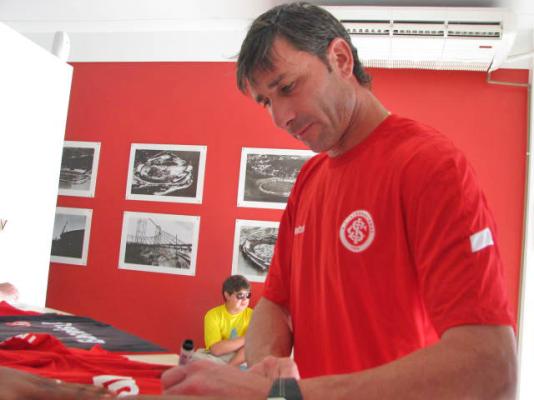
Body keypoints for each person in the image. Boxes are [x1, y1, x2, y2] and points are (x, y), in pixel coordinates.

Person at [161, 2, 517, 399]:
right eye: (267, 102)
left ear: (341, 59)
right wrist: (269, 369)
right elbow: (275, 304)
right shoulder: (308, 181)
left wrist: (287, 394)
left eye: (287, 87)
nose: (280, 118)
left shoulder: (429, 165)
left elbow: (492, 368)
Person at [195, 275, 253, 367]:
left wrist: (229, 367)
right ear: (227, 295)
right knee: (195, 358)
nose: (245, 300)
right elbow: (216, 350)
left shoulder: (253, 315)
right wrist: (247, 338)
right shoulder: (213, 315)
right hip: (219, 357)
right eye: (240, 295)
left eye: (248, 295)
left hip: (242, 358)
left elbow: (249, 348)